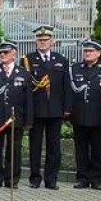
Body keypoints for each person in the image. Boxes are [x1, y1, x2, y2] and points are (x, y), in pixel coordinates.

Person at [21, 25, 70, 189]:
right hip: (36, 109)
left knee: (54, 147)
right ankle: (35, 178)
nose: (42, 42)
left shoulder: (61, 60)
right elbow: (25, 88)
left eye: (46, 40)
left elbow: (66, 87)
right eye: (39, 40)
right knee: (35, 146)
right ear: (36, 42)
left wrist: (67, 108)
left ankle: (51, 179)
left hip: (55, 110)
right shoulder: (27, 60)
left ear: (52, 41)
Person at [0, 40, 33, 188]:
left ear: (14, 53)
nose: (2, 55)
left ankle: (12, 179)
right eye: (1, 53)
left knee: (14, 150)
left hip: (16, 117)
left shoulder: (23, 73)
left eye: (6, 52)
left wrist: (28, 120)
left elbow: (28, 99)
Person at [67, 38, 101, 190]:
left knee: (97, 149)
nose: (87, 53)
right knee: (80, 149)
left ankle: (97, 179)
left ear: (98, 53)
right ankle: (82, 178)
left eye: (91, 51)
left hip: (98, 115)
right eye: (85, 51)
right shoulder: (75, 68)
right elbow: (69, 92)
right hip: (79, 114)